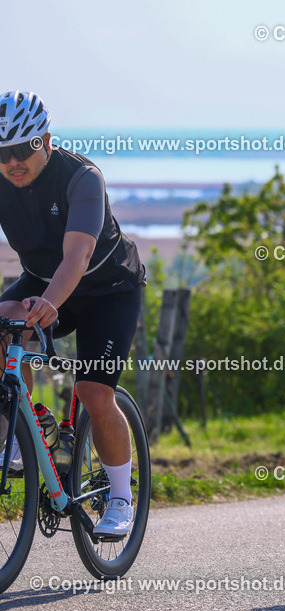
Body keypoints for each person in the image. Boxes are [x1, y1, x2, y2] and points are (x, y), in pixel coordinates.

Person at [0, 91, 146, 536]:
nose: (14, 162)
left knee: (94, 392)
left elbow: (78, 255)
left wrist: (50, 303)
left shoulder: (82, 178)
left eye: (25, 149)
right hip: (43, 279)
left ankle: (121, 498)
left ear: (45, 139)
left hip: (108, 288)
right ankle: (19, 433)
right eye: (4, 154)